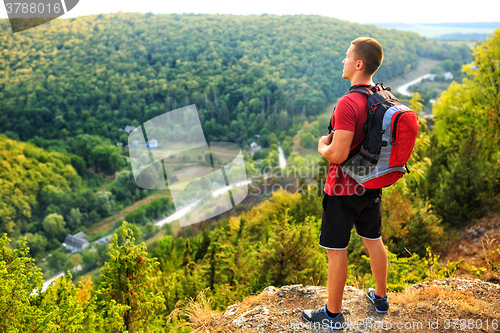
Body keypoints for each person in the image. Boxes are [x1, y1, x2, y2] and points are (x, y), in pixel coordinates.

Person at [302, 37, 389, 330]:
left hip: (343, 189)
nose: (343, 60)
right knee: (373, 240)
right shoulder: (380, 97)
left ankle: (333, 315)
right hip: (371, 184)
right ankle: (380, 297)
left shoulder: (349, 102)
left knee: (336, 250)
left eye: (347, 56)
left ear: (359, 64)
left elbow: (338, 154)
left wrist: (321, 147)